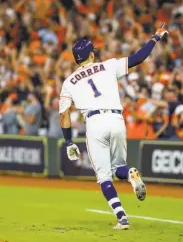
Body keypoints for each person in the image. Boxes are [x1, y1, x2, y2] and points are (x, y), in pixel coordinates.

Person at [59, 24, 168, 230]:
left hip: (94, 123)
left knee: (104, 176)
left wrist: (68, 141)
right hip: (117, 119)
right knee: (119, 167)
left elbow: (64, 114)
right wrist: (155, 38)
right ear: (91, 54)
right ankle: (130, 175)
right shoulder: (108, 66)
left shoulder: (68, 82)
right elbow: (138, 58)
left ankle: (122, 217)